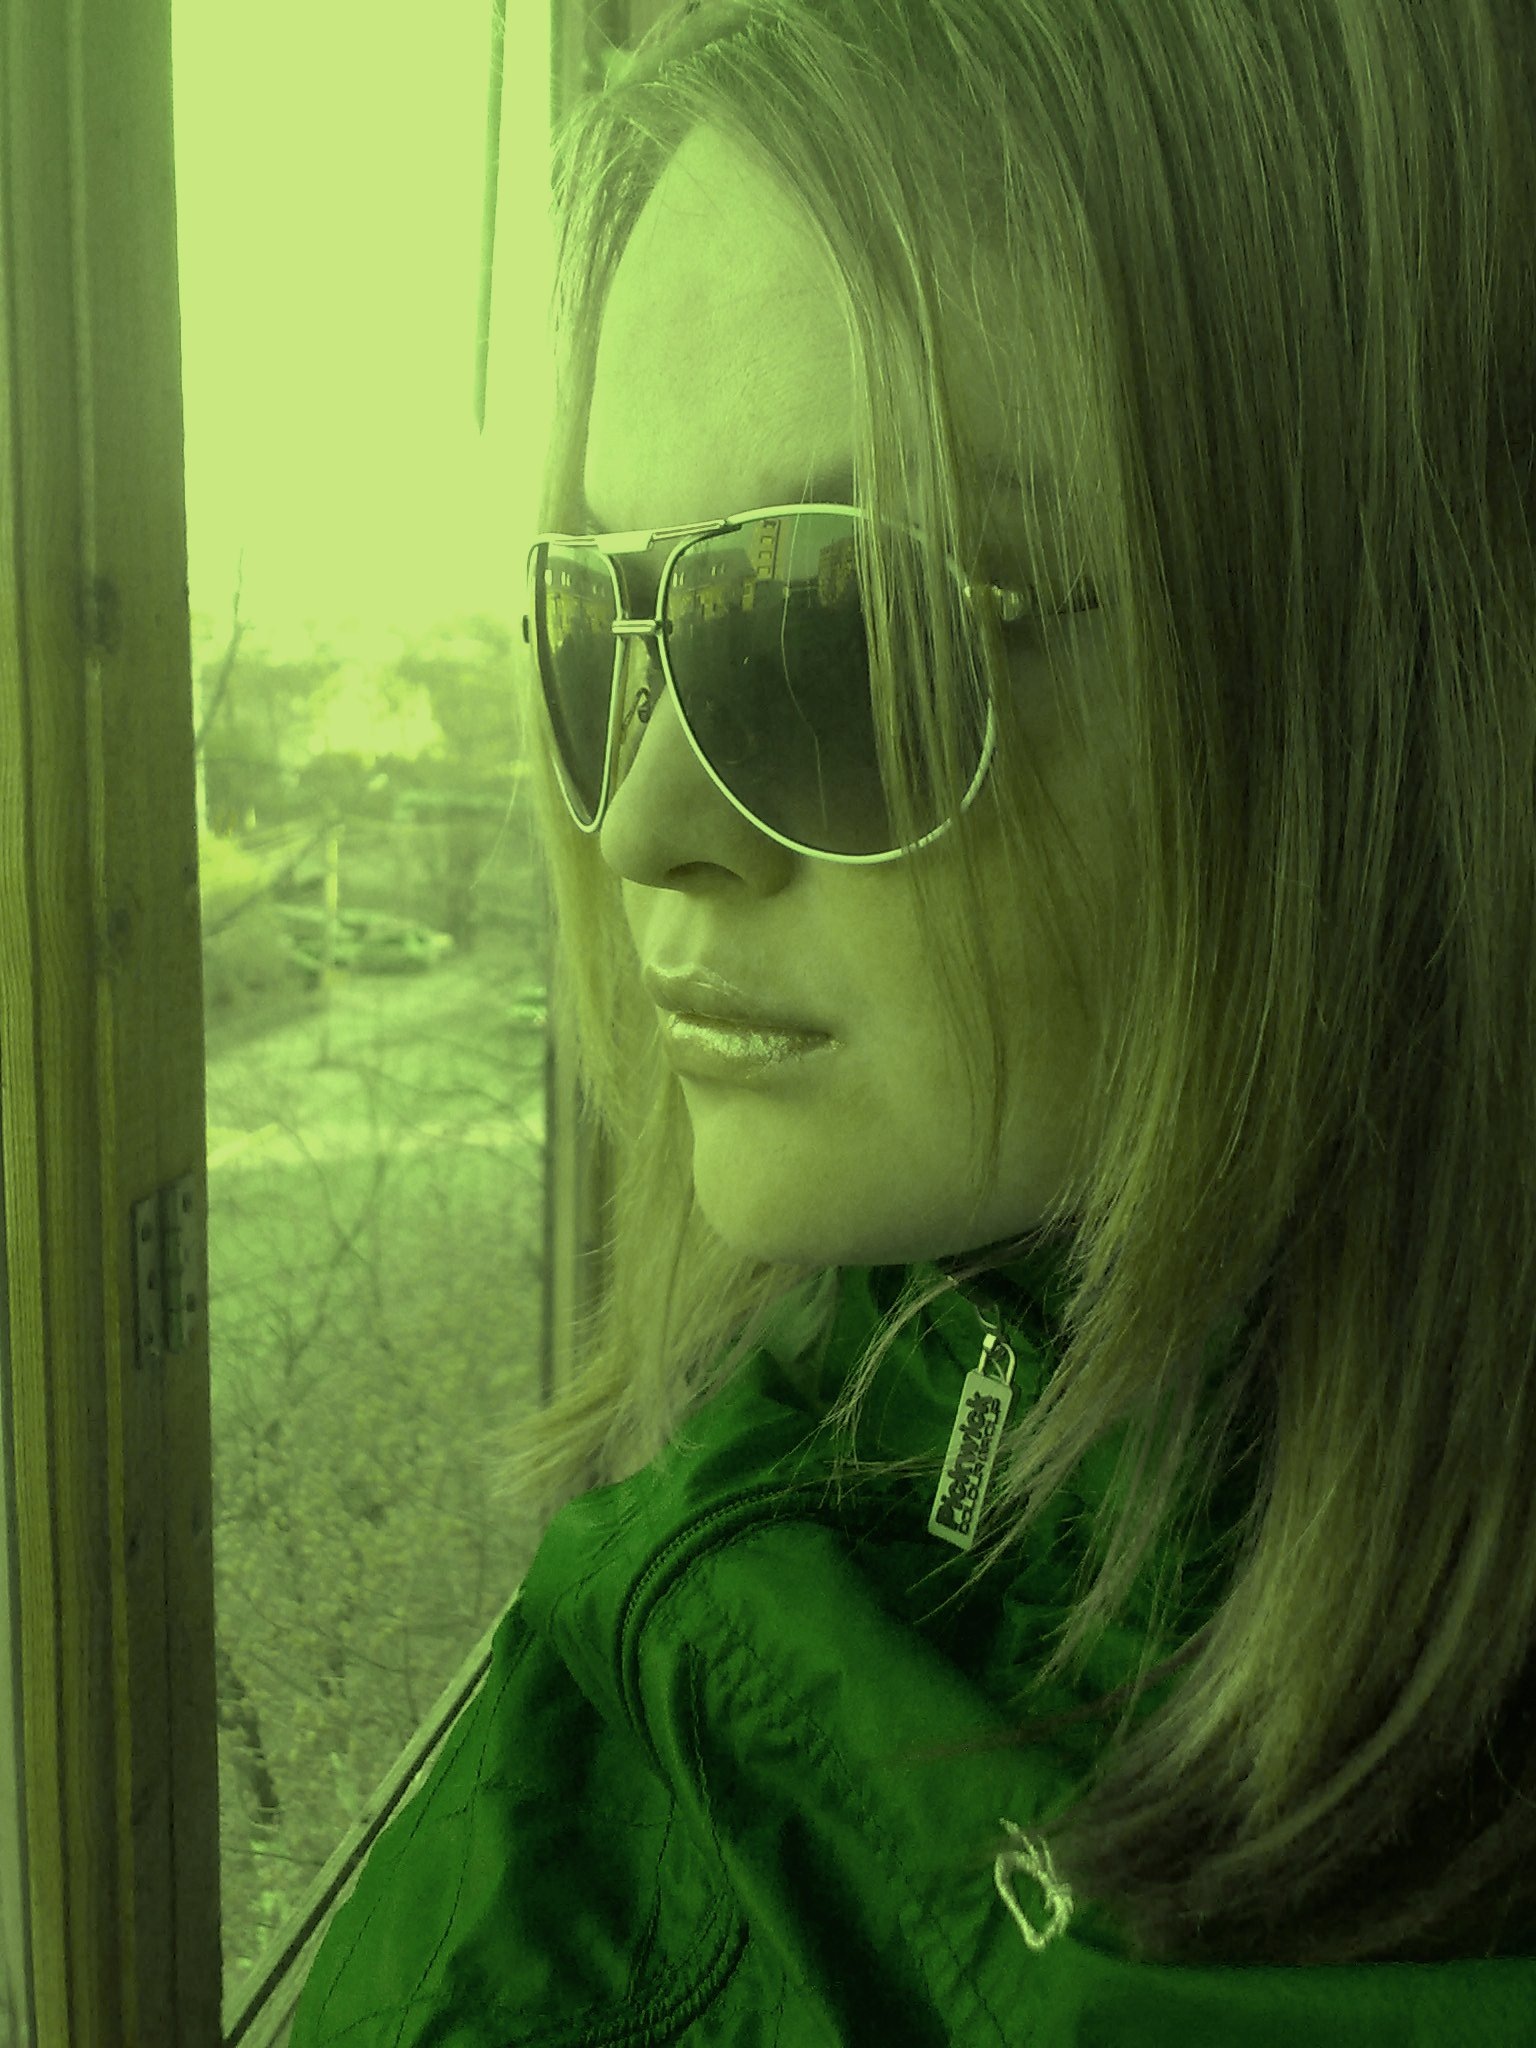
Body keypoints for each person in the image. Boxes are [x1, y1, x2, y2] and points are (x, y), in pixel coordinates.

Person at [291, 3, 1536, 2040]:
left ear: (1369, 704)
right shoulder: (804, 1437)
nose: (639, 823)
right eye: (608, 627)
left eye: (836, 630)